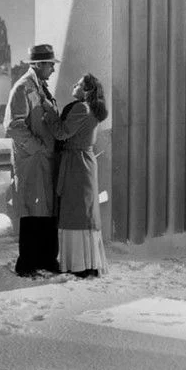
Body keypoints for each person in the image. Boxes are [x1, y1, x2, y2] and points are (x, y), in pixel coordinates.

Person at [42, 74, 110, 278]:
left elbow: (61, 133)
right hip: (83, 163)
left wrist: (49, 111)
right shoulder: (92, 109)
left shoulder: (81, 108)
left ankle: (78, 264)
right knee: (84, 212)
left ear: (87, 91)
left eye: (79, 84)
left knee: (75, 212)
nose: (75, 85)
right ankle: (87, 263)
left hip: (76, 164)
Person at [4, 44, 61, 277]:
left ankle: (47, 259)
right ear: (38, 65)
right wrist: (38, 147)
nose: (53, 69)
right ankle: (27, 263)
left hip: (43, 161)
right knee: (32, 213)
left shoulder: (40, 88)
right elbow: (13, 126)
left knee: (45, 211)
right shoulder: (22, 88)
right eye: (50, 65)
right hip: (33, 162)